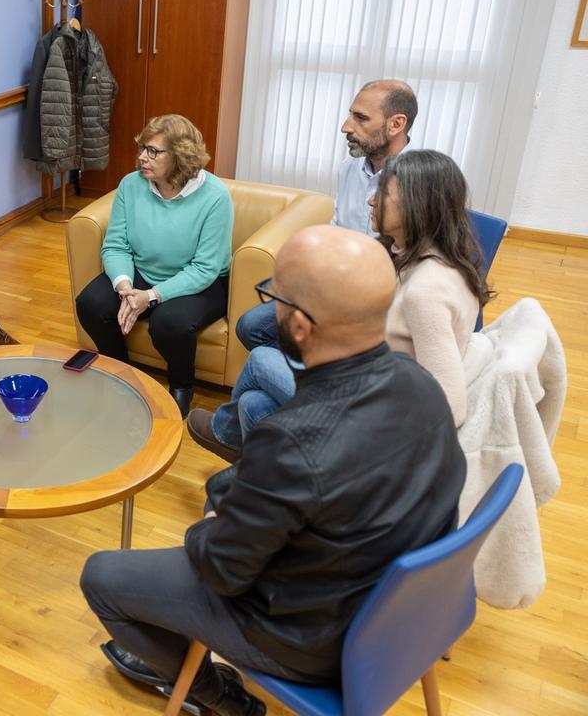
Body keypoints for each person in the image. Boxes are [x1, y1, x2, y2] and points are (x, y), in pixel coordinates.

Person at [80, 225, 467, 716]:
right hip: (405, 615)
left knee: (102, 576)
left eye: (274, 296)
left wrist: (218, 515)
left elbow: (221, 569)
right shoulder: (422, 385)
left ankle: (222, 696)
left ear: (301, 326)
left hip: (312, 639)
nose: (270, 306)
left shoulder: (293, 441)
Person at [190, 150, 488, 457]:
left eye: (383, 192)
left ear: (418, 205)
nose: (371, 200)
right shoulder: (419, 258)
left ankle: (225, 435)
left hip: (367, 416)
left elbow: (449, 407)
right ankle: (260, 475)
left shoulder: (426, 291)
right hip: (362, 386)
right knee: (254, 404)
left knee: (262, 360)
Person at [236, 79, 417, 350]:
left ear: (396, 124)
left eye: (360, 118)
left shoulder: (421, 182)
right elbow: (338, 228)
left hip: (382, 302)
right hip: (337, 287)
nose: (346, 127)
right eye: (350, 115)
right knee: (250, 327)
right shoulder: (349, 168)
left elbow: (417, 263)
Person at [73, 114, 233, 417]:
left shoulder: (215, 197)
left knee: (168, 323)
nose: (141, 158)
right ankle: (122, 372)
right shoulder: (131, 185)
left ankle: (182, 385)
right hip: (142, 273)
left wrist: (151, 296)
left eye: (153, 151)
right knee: (91, 303)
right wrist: (125, 287)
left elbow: (205, 268)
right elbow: (116, 244)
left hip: (200, 282)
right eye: (142, 148)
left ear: (181, 156)